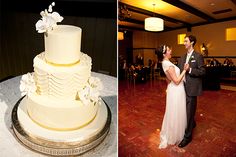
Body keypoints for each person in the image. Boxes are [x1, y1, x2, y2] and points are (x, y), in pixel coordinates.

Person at [158, 45, 189, 149]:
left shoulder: (164, 63)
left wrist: (169, 86)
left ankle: (175, 131)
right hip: (176, 90)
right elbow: (176, 81)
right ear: (164, 54)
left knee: (174, 111)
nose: (171, 50)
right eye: (168, 50)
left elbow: (169, 79)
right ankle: (176, 134)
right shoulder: (168, 64)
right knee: (176, 111)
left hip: (173, 89)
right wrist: (185, 70)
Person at [178, 35, 205, 148]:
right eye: (184, 41)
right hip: (181, 89)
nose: (184, 43)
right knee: (185, 111)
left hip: (192, 89)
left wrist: (190, 69)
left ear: (192, 42)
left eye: (186, 41)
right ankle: (192, 123)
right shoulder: (182, 57)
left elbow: (202, 71)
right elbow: (179, 71)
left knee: (189, 112)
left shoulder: (198, 56)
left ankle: (187, 137)